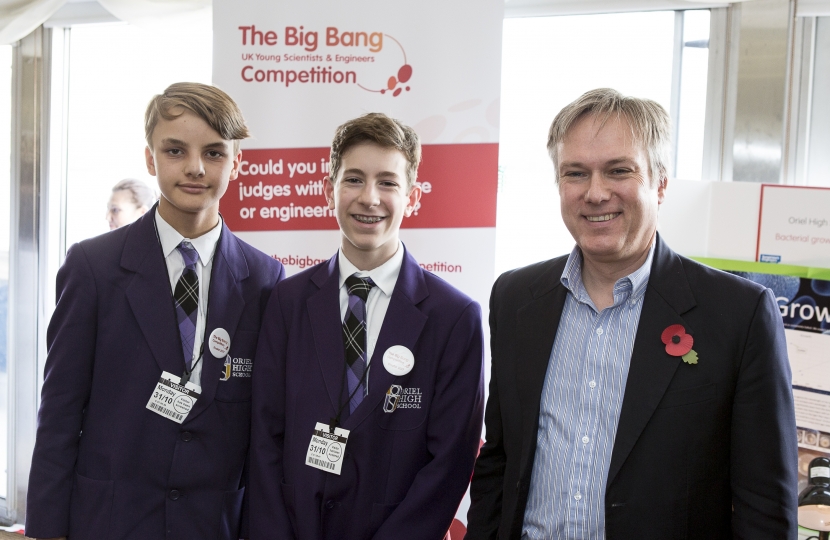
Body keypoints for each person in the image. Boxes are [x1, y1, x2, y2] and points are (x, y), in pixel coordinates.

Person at [465, 88, 798, 540]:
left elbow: (765, 505)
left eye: (619, 171)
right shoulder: (515, 298)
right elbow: (499, 460)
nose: (595, 193)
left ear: (660, 183)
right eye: (576, 173)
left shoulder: (738, 315)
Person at [25, 82, 285, 540]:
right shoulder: (94, 267)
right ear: (150, 158)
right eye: (175, 150)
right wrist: (47, 530)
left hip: (213, 523)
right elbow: (60, 412)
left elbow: (264, 431)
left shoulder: (265, 280)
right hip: (109, 520)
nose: (195, 168)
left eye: (214, 153)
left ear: (237, 163)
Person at [249, 112, 485, 539]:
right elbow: (264, 436)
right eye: (353, 179)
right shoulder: (286, 302)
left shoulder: (454, 318)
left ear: (412, 197)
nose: (369, 198)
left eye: (388, 182)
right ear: (329, 191)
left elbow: (450, 462)